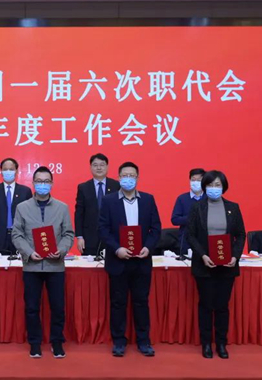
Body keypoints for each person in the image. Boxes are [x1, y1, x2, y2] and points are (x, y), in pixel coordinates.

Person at [98, 162, 161, 357]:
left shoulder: (148, 200)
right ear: (118, 177)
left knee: (141, 302)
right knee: (118, 303)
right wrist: (117, 249)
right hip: (118, 260)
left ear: (137, 178)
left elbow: (156, 228)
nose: (128, 178)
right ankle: (118, 341)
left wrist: (148, 247)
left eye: (132, 175)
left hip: (141, 260)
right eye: (124, 175)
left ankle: (144, 341)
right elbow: (103, 229)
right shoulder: (108, 201)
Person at [12, 166, 74, 359]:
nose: (42, 185)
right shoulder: (22, 207)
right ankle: (35, 343)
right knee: (32, 307)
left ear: (52, 183)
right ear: (33, 183)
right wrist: (29, 252)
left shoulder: (62, 208)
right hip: (32, 265)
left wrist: (60, 250)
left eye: (46, 181)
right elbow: (17, 234)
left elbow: (68, 234)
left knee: (58, 307)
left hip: (55, 265)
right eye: (39, 181)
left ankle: (57, 342)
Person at [186, 170, 246, 360]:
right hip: (204, 264)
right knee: (206, 304)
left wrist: (235, 256)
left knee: (222, 306)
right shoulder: (197, 207)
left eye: (217, 185)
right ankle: (206, 343)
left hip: (227, 265)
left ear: (224, 187)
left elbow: (240, 235)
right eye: (210, 185)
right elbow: (191, 235)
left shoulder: (233, 207)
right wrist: (203, 255)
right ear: (204, 187)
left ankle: (221, 343)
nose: (214, 188)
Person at [0, 157, 32, 255]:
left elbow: (30, 218)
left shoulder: (25, 191)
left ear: (16, 171)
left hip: (20, 237)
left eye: (11, 169)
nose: (8, 172)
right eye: (5, 169)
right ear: (1, 171)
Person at [75, 153, 119, 255]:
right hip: (89, 238)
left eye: (102, 165)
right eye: (95, 165)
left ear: (107, 167)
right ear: (90, 167)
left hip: (112, 236)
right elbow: (79, 213)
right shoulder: (83, 187)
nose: (99, 168)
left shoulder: (116, 185)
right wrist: (80, 237)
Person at [171, 168, 206, 254]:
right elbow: (175, 220)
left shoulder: (208, 198)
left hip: (205, 240)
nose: (196, 182)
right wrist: (191, 218)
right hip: (186, 241)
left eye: (199, 180)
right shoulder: (182, 198)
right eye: (193, 180)